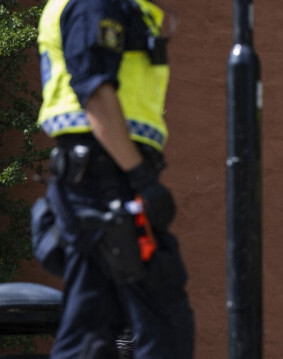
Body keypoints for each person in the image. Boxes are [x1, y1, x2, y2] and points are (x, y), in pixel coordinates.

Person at [35, 0, 194, 357]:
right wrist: (140, 177)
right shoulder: (96, 4)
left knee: (90, 331)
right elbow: (95, 92)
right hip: (108, 179)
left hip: (99, 178)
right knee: (162, 322)